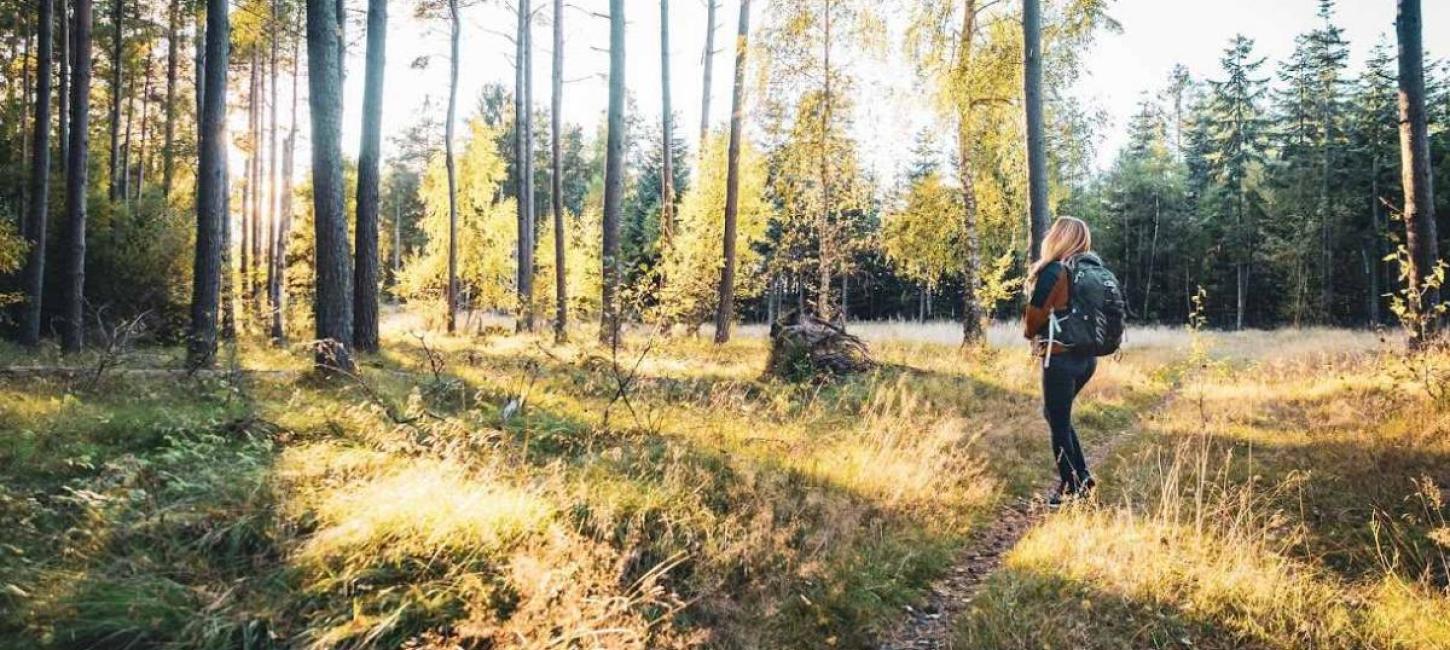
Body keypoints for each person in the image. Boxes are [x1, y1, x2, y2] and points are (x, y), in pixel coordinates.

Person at [1023, 216, 1102, 506]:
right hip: (1087, 360)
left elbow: (1034, 317)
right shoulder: (1091, 271)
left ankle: (1072, 490)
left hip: (1060, 359)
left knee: (1057, 423)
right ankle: (1082, 477)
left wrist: (1029, 331)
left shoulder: (1054, 271)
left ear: (1058, 238)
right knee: (1058, 416)